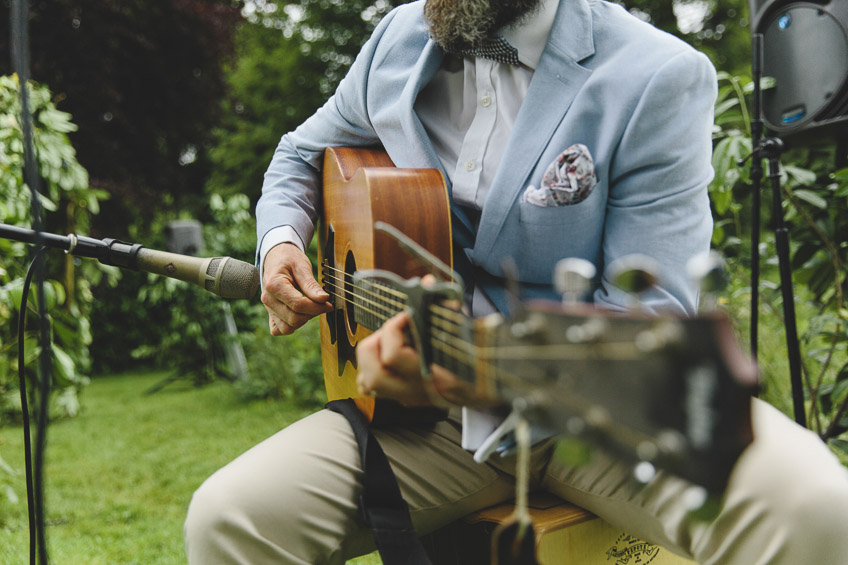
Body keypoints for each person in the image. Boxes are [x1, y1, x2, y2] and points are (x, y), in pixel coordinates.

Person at [184, 0, 848, 563]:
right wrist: (280, 243)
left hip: (606, 413)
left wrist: (482, 369)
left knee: (814, 506)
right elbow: (300, 153)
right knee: (228, 516)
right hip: (426, 426)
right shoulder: (397, 36)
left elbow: (652, 320)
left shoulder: (657, 75)